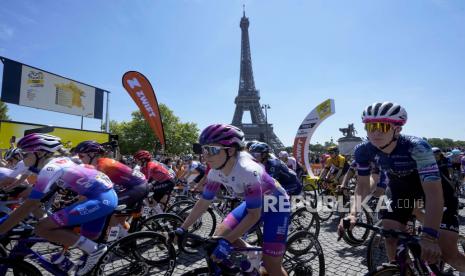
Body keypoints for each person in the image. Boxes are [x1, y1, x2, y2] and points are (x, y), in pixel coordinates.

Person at [339, 102, 464, 273]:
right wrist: (353, 213)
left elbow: (434, 194)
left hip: (434, 190)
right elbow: (362, 186)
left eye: (382, 126)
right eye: (370, 126)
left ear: (397, 129)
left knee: (449, 254)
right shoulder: (363, 150)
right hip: (401, 189)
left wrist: (429, 237)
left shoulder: (417, 147)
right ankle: (403, 269)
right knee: (390, 234)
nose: (375, 132)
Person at [176, 124, 290, 276]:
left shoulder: (248, 170)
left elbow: (253, 215)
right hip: (255, 202)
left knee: (271, 265)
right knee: (219, 236)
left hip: (276, 204)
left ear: (230, 150)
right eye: (203, 149)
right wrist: (182, 228)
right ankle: (253, 254)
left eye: (212, 149)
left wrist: (227, 242)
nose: (205, 155)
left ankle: (264, 261)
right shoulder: (215, 171)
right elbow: (204, 201)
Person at [0, 134, 117, 275]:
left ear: (40, 153)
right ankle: (89, 261)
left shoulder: (50, 168)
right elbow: (35, 192)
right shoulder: (57, 162)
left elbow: (30, 204)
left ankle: (96, 251)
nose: (22, 158)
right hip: (102, 197)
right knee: (87, 241)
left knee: (41, 228)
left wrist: (2, 229)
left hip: (100, 199)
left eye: (24, 154)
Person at [74, 141, 148, 233]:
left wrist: (74, 207)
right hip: (134, 186)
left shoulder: (102, 166)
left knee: (110, 211)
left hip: (138, 187)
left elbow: (97, 191)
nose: (79, 159)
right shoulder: (99, 163)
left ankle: (123, 241)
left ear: (92, 154)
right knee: (117, 219)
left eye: (81, 156)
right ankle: (126, 239)